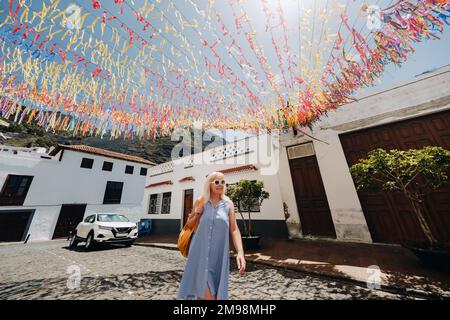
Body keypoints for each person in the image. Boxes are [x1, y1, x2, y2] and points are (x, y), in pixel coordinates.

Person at [177, 171, 246, 300]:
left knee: (204, 293)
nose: (220, 185)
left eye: (223, 182)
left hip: (219, 255)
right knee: (208, 293)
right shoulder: (201, 201)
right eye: (217, 182)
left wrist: (240, 252)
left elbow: (234, 229)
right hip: (199, 253)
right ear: (209, 184)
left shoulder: (228, 204)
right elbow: (189, 224)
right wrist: (197, 214)